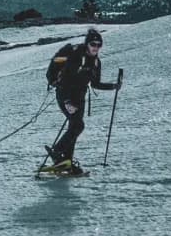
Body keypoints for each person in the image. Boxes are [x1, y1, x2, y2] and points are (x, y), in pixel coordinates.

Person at [47, 28, 120, 173]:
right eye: (93, 44)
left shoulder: (96, 62)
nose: (96, 47)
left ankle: (66, 161)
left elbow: (95, 84)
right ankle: (57, 152)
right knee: (78, 126)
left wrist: (113, 86)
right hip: (65, 95)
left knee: (74, 127)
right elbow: (65, 81)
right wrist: (67, 102)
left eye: (99, 45)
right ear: (87, 44)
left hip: (80, 97)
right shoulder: (75, 56)